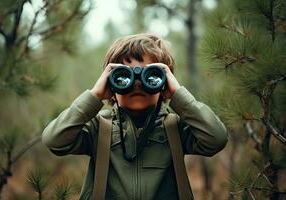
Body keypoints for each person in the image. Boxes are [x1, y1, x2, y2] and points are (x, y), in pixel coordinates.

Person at [42, 33, 228, 199]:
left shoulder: (175, 127)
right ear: (110, 83)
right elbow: (54, 140)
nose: (137, 83)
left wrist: (177, 93)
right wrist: (94, 96)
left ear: (164, 84)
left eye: (151, 76)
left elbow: (216, 138)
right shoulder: (99, 128)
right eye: (123, 77)